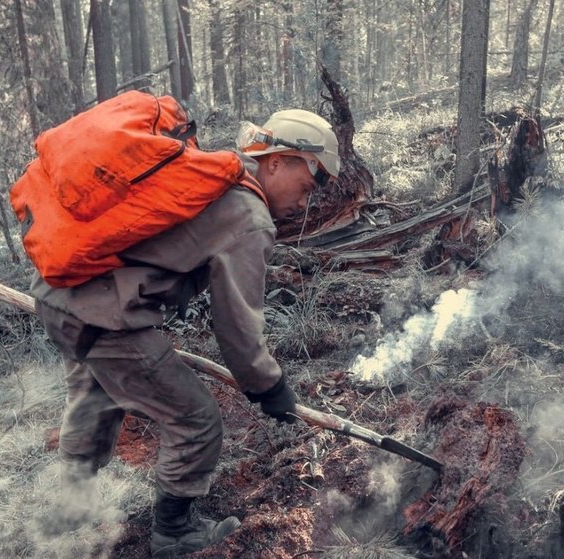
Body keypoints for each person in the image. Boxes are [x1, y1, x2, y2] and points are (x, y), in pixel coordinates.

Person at [30, 108, 341, 557]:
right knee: (195, 419)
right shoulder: (249, 215)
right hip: (105, 316)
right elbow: (237, 323)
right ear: (278, 161)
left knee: (96, 397)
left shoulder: (210, 176)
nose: (303, 201)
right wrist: (268, 386)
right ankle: (175, 534)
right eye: (306, 186)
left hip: (59, 298)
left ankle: (71, 510)